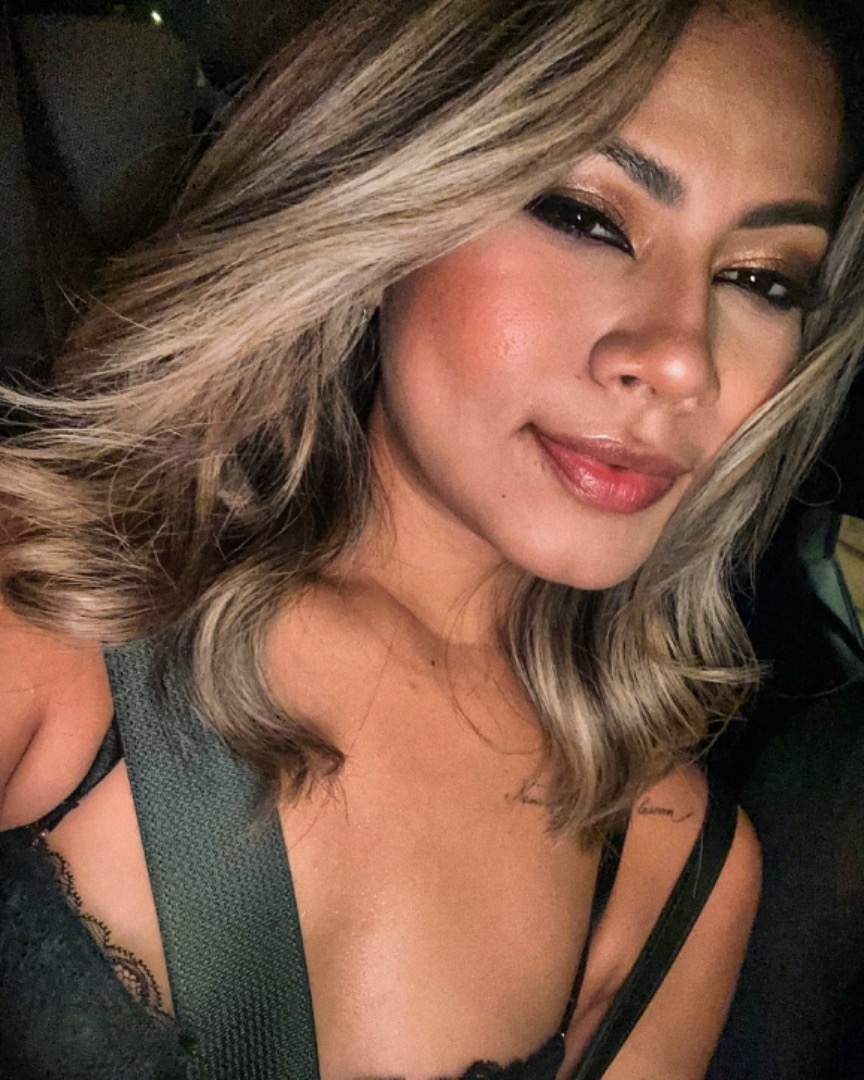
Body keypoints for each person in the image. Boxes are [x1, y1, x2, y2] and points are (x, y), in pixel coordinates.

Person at [1, 0, 862, 1076]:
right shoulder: (54, 609)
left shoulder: (676, 871)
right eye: (586, 216)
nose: (684, 358)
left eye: (763, 280)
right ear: (400, 191)